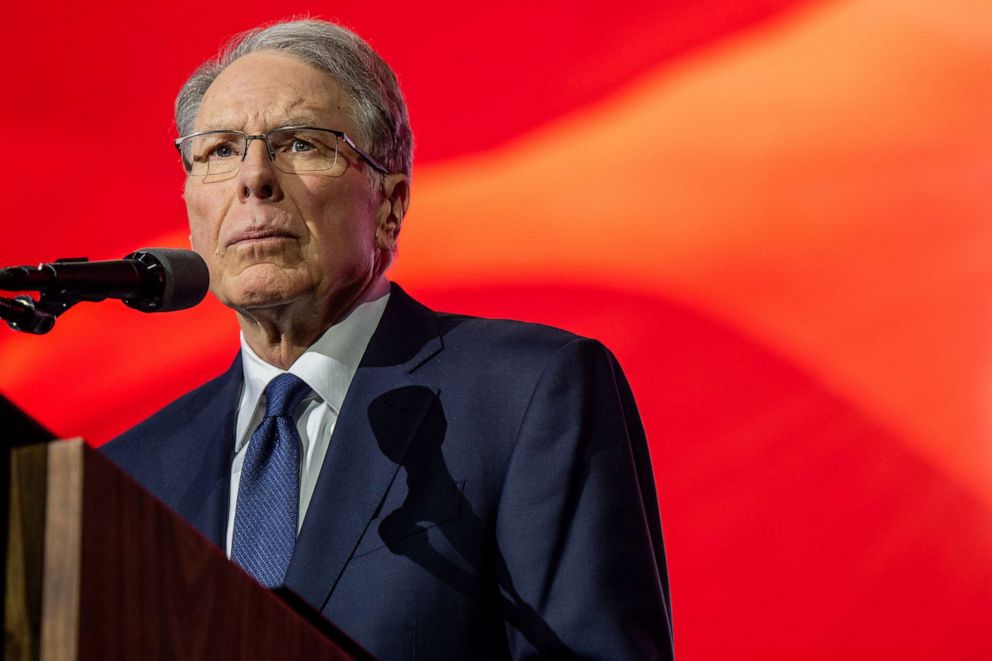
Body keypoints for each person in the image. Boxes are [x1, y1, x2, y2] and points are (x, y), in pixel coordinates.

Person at [103, 18, 673, 660]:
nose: (253, 179)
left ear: (391, 203)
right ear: (190, 210)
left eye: (299, 144)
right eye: (220, 151)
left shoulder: (529, 396)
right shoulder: (131, 474)